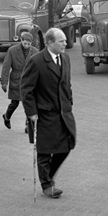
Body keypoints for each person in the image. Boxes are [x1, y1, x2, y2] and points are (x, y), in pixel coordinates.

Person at [21, 28, 76, 199]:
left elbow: (67, 83)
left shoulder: (65, 58)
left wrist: (69, 101)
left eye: (65, 41)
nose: (65, 44)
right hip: (44, 114)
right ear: (50, 43)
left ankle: (48, 177)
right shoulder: (36, 61)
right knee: (44, 151)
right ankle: (46, 185)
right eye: (61, 41)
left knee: (67, 145)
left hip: (63, 113)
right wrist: (31, 113)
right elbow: (26, 89)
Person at [0, 32, 39, 132]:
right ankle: (7, 116)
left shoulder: (35, 51)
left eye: (28, 44)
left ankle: (28, 125)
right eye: (25, 43)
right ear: (21, 40)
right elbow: (6, 66)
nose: (26, 46)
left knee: (29, 103)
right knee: (15, 102)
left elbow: (39, 68)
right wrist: (4, 82)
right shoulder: (12, 50)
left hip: (30, 81)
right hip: (16, 80)